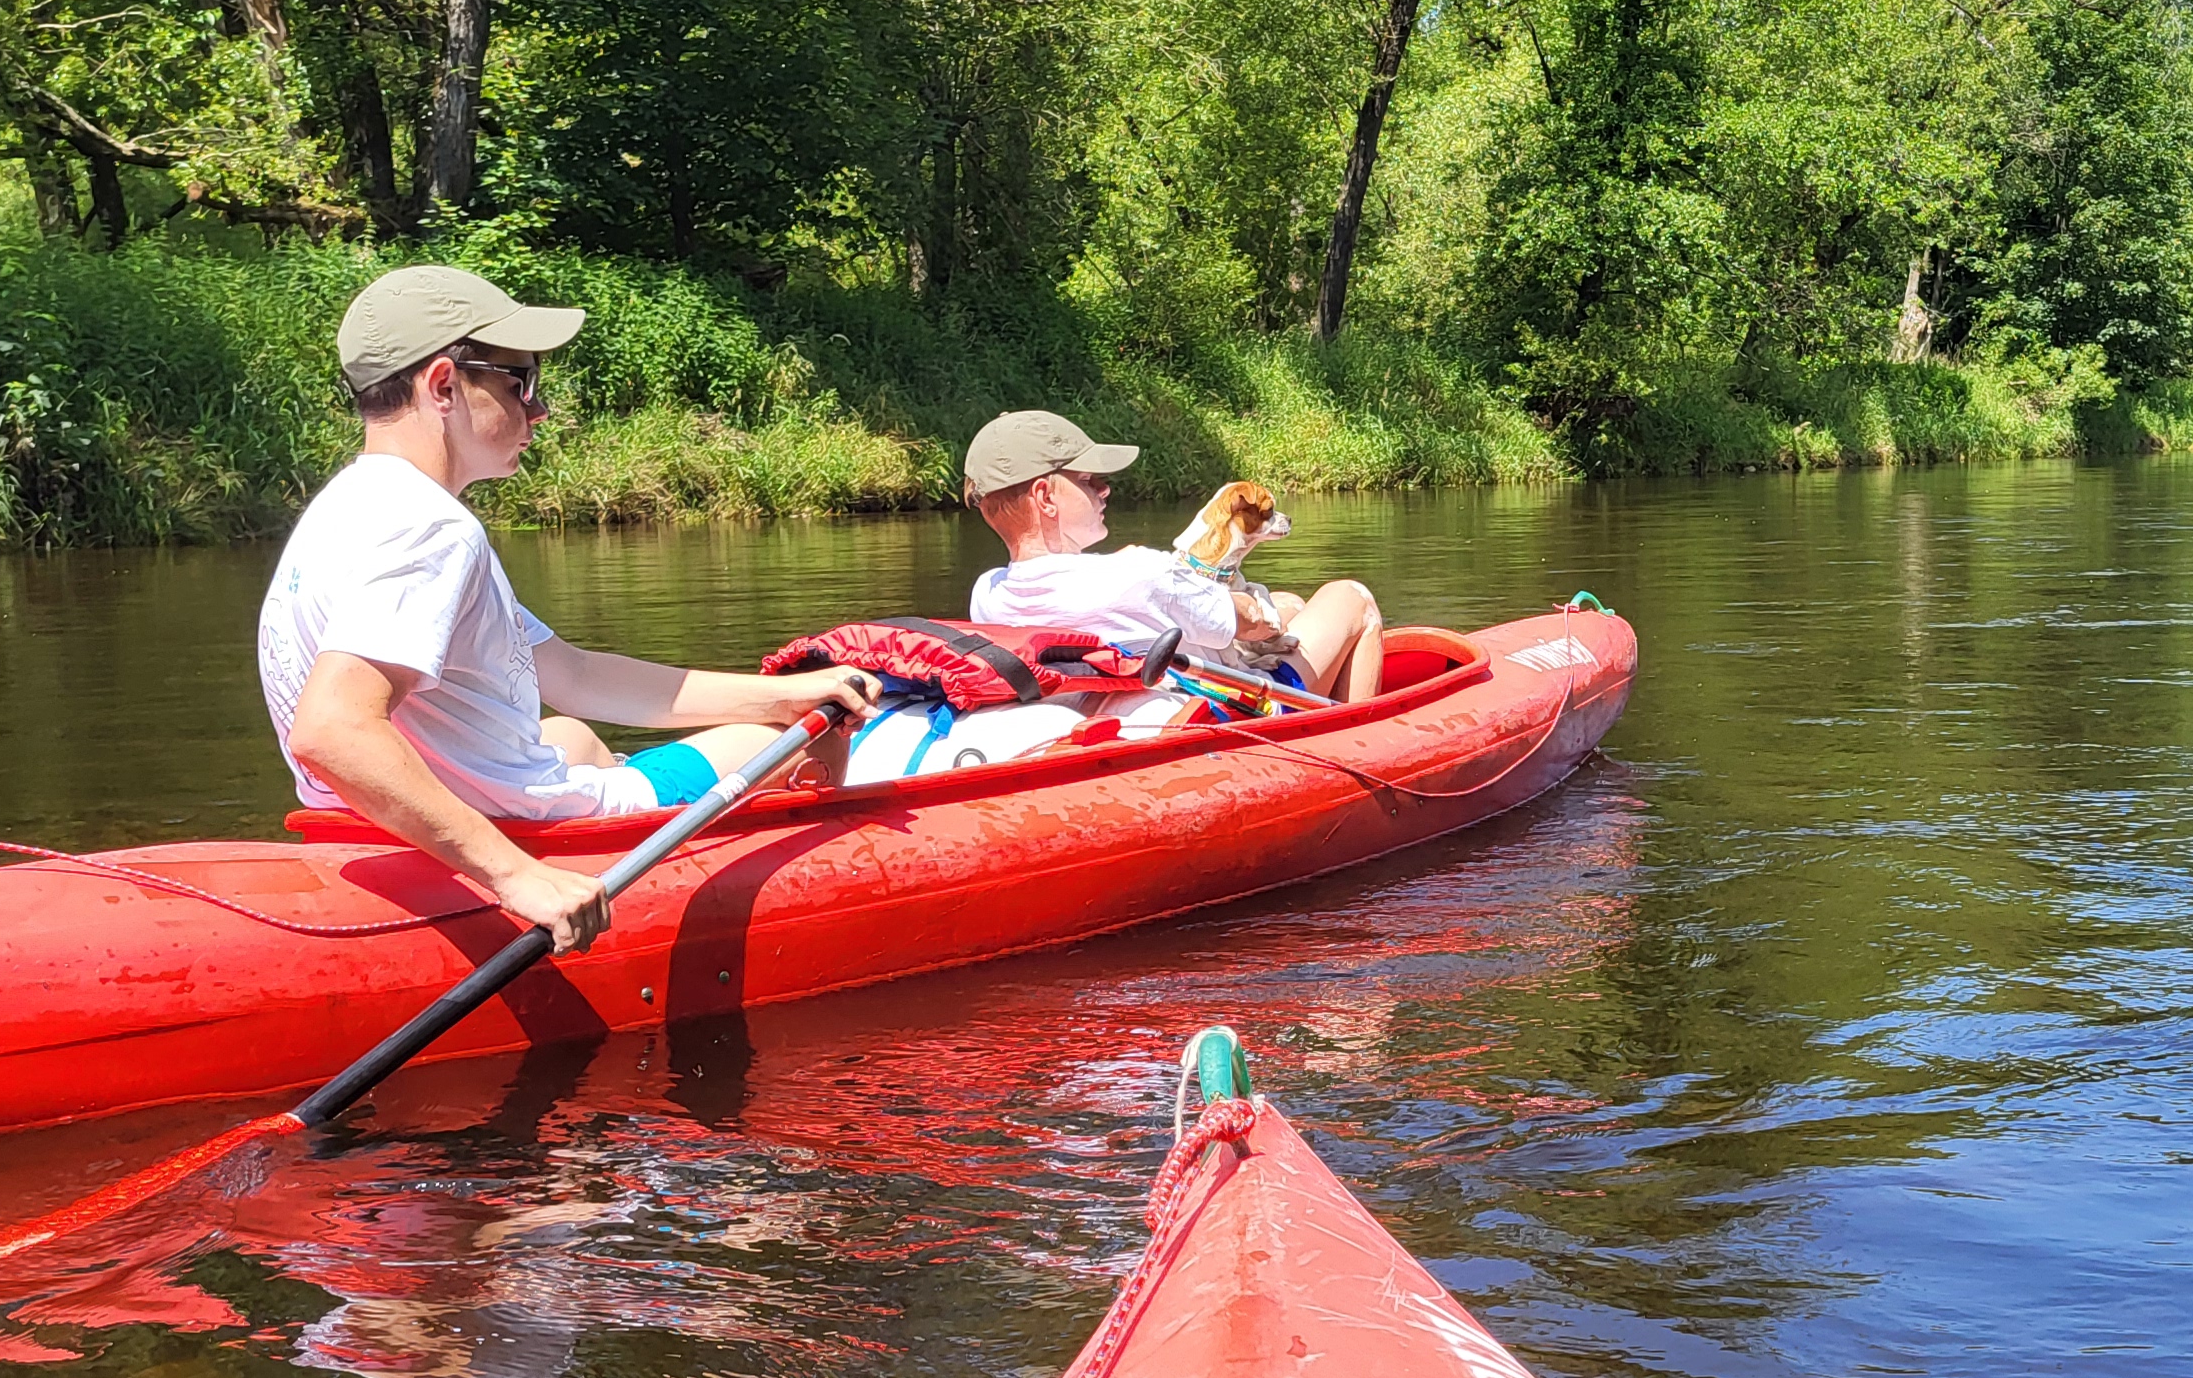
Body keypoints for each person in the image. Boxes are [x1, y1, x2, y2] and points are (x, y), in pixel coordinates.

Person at [258, 266, 870, 952]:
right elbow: (332, 729)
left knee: (573, 731)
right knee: (800, 741)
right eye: (520, 383)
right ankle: (810, 918)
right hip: (515, 830)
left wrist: (781, 692)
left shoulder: (349, 505)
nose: (538, 409)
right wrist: (516, 876)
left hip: (357, 824)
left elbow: (574, 675)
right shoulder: (431, 529)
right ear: (442, 386)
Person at [961, 410, 1385, 700]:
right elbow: (1255, 623)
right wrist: (1184, 578)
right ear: (1045, 497)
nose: (1104, 490)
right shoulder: (1139, 574)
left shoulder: (987, 594)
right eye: (1089, 481)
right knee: (1351, 597)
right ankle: (1361, 744)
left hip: (1117, 712)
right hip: (1233, 712)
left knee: (1291, 603)